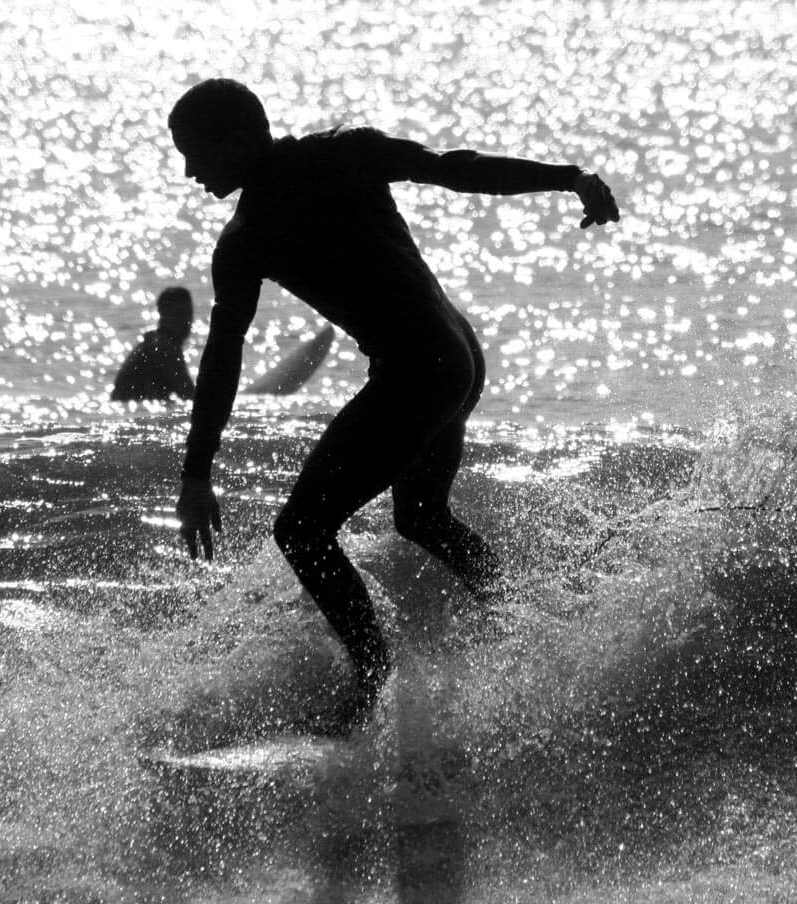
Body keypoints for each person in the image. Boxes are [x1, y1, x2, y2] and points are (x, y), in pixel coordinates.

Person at [167, 79, 619, 736]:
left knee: (300, 529)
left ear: (237, 139)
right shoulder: (344, 153)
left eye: (194, 154)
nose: (189, 172)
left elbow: (222, 358)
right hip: (459, 356)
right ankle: (526, 621)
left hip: (419, 370)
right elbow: (452, 168)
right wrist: (570, 178)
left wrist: (196, 471)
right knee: (421, 516)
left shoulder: (248, 238)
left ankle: (373, 675)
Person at [110, 286, 196, 402]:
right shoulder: (164, 348)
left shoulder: (154, 342)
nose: (186, 320)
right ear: (162, 314)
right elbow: (191, 396)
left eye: (189, 313)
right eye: (178, 313)